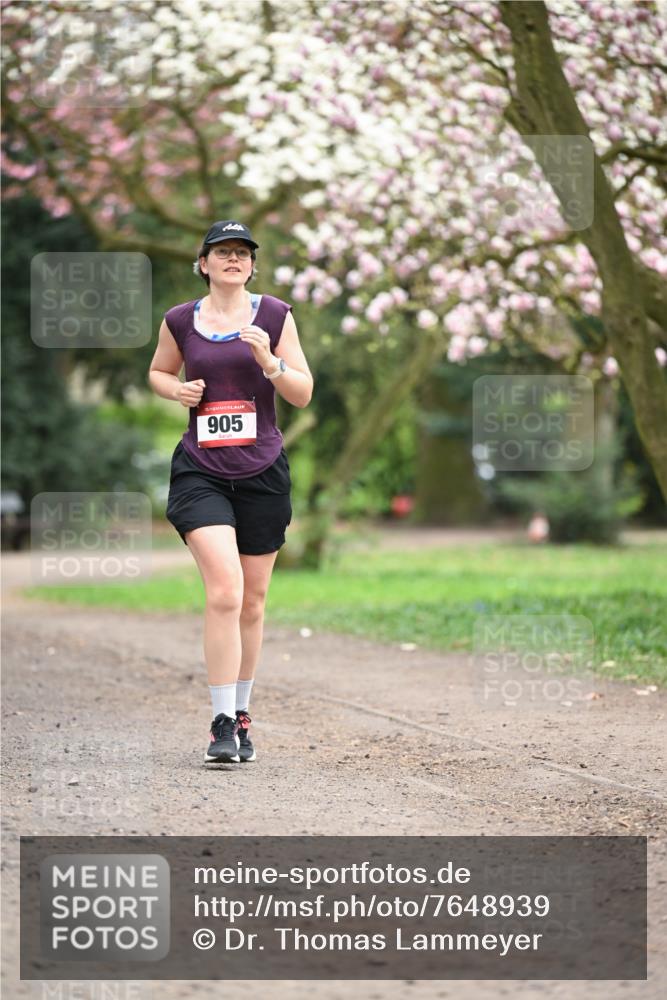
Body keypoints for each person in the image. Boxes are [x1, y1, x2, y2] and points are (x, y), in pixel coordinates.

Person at [148, 220, 313, 766]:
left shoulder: (274, 316)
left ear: (253, 265)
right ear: (204, 263)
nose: (234, 259)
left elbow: (303, 392)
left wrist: (271, 362)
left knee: (252, 602)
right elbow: (158, 372)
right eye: (223, 252)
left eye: (243, 253)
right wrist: (178, 390)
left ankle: (242, 716)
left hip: (263, 470)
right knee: (225, 590)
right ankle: (220, 722)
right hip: (201, 470)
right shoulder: (179, 320)